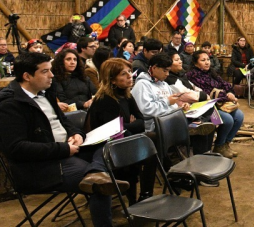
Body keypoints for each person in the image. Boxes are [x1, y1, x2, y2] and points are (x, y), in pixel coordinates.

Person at [0, 52, 128, 226]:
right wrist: (63, 149)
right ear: (27, 76)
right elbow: (16, 148)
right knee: (100, 185)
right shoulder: (10, 105)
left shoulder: (45, 94)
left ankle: (96, 173)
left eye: (50, 70)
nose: (52, 75)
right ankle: (97, 178)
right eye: (45, 71)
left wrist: (77, 134)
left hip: (67, 152)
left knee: (111, 145)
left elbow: (65, 123)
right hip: (42, 166)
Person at [86, 58, 154, 203]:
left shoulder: (126, 95)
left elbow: (141, 122)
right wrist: (129, 124)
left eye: (130, 71)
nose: (130, 76)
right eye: (124, 74)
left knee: (152, 142)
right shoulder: (105, 100)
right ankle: (134, 201)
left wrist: (127, 125)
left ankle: (145, 194)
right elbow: (114, 131)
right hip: (105, 147)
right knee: (145, 147)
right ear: (112, 80)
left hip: (124, 140)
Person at [187, 51, 245, 158]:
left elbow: (225, 84)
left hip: (220, 103)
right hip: (205, 107)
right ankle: (218, 144)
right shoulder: (193, 75)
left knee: (239, 116)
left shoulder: (211, 72)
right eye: (203, 60)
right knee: (228, 120)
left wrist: (230, 92)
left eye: (208, 59)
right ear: (195, 63)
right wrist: (226, 96)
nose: (207, 62)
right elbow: (208, 92)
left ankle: (224, 145)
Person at [131, 53, 190, 133]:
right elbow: (145, 110)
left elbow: (170, 106)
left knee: (197, 122)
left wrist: (179, 108)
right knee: (188, 128)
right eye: (164, 71)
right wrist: (167, 102)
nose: (167, 74)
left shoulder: (164, 84)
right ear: (154, 67)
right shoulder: (142, 84)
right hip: (153, 126)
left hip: (168, 121)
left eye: (169, 71)